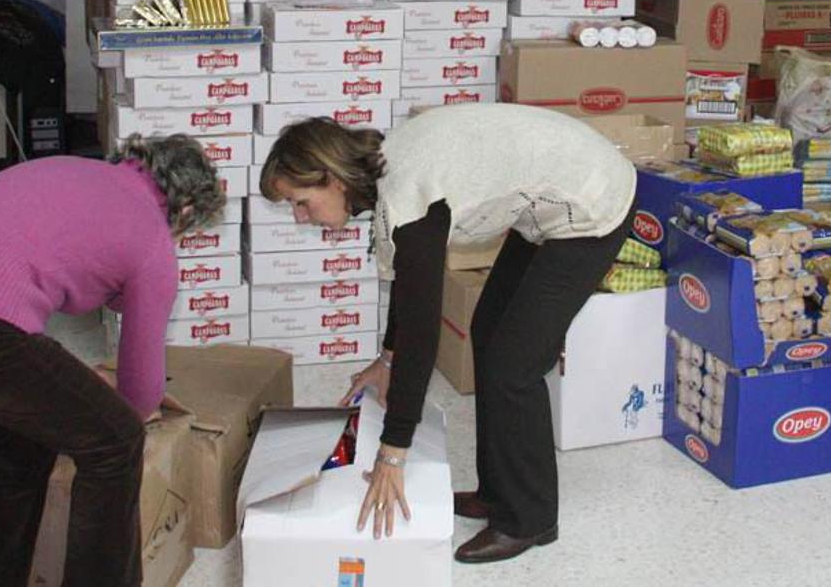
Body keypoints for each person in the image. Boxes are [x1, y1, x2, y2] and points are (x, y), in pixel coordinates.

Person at [259, 103, 636, 564]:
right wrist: (387, 359)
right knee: (488, 332)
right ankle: (499, 492)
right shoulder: (389, 186)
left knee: (513, 366)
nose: (301, 217)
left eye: (301, 201)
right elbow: (408, 280)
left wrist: (393, 452)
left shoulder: (406, 196)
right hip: (552, 194)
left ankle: (531, 519)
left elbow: (423, 330)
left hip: (593, 199)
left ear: (332, 179)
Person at [0, 134, 224, 587]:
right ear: (187, 209)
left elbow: (16, 267)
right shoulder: (152, 238)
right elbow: (139, 396)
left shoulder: (63, 168)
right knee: (115, 442)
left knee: (21, 444)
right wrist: (112, 400)